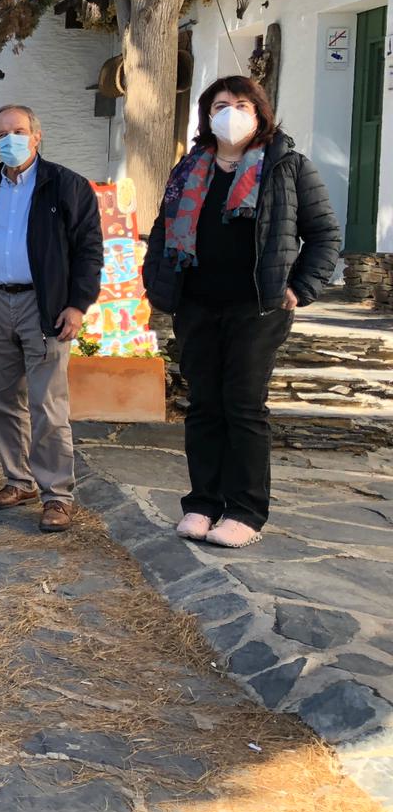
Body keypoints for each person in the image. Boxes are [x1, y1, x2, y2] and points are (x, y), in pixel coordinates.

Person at [145, 77, 340, 549]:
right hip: (197, 304)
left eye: (241, 104)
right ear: (206, 115)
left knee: (243, 406)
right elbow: (162, 229)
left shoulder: (287, 166)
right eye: (220, 105)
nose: (230, 112)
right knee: (204, 406)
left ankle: (246, 510)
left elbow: (325, 235)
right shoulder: (189, 168)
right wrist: (157, 282)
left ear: (260, 112)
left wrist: (300, 287)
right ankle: (202, 504)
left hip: (257, 307)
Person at [0, 105, 102, 533]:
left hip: (43, 307)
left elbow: (89, 251)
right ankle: (18, 480)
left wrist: (78, 304)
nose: (11, 140)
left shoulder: (67, 186)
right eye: (2, 134)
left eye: (19, 131)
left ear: (36, 136)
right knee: (4, 401)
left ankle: (57, 494)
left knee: (47, 405)